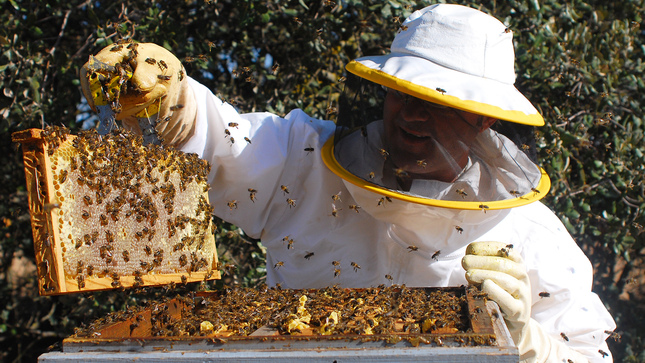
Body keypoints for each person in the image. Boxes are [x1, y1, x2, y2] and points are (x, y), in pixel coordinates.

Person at [80, 4, 615, 362]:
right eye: (403, 92)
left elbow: (590, 352)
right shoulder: (306, 161)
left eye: (437, 103)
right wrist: (173, 102)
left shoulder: (528, 231)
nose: (410, 115)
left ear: (484, 119)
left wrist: (530, 342)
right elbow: (226, 138)